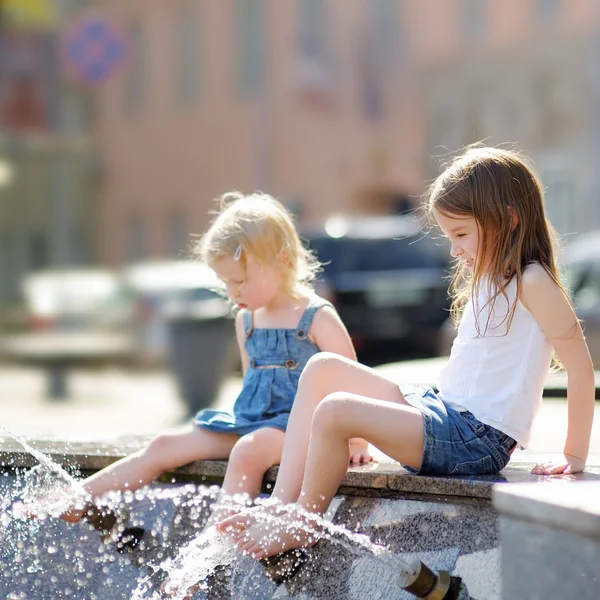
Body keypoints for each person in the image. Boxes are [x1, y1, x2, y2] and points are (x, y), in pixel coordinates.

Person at [216, 146, 596, 560]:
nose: (454, 250)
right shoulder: (490, 278)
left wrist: (574, 454)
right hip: (444, 412)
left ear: (507, 220)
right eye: (450, 237)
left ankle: (303, 523)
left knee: (335, 411)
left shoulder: (532, 280)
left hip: (475, 440)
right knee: (322, 367)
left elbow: (580, 367)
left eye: (461, 235)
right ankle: (280, 508)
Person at [44, 192, 370, 528]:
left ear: (283, 261)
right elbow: (251, 387)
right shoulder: (247, 320)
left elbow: (352, 380)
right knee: (164, 444)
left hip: (301, 431)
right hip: (253, 422)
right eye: (225, 283)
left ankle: (212, 554)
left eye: (240, 281)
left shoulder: (316, 316)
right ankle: (80, 495)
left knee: (249, 451)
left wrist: (356, 440)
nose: (233, 293)